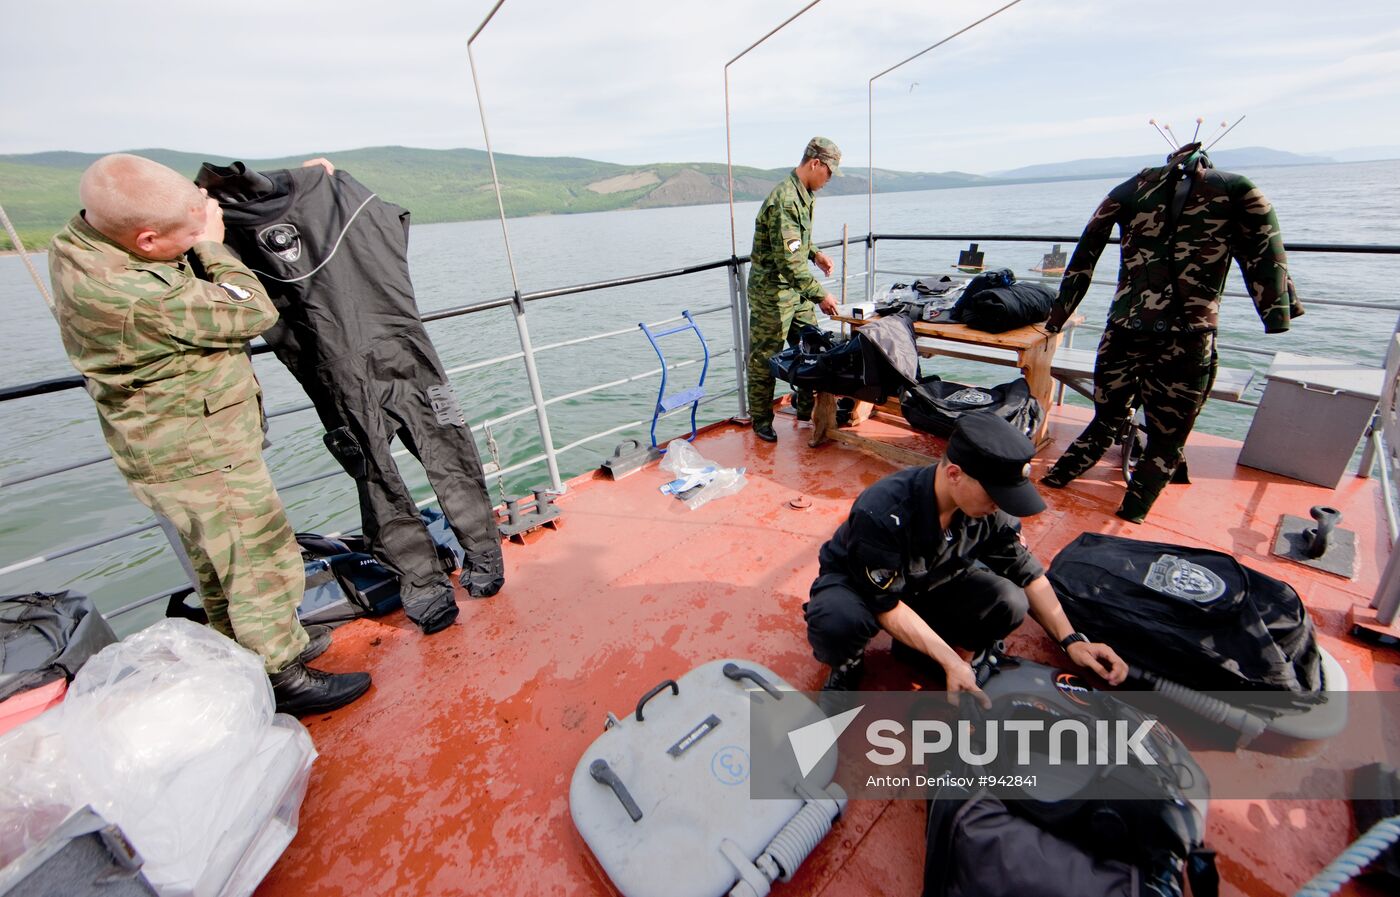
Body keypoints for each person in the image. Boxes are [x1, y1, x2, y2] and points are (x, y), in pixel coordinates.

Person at [48, 153, 371, 716]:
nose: (197, 236)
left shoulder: (85, 242)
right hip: (198, 450)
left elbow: (162, 216)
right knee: (258, 558)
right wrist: (214, 247)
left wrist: (279, 183)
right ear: (147, 241)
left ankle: (248, 657)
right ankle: (282, 676)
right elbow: (251, 312)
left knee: (220, 568)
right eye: (187, 233)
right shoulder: (134, 295)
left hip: (168, 445)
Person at [1040, 142, 1301, 522]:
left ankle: (1061, 475)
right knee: (1167, 437)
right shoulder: (1237, 188)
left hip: (1125, 328)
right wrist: (1278, 312)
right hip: (1188, 334)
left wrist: (1059, 315)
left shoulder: (1131, 189)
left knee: (1107, 416)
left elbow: (1085, 254)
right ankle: (1133, 510)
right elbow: (1265, 253)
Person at [804, 412, 1127, 703]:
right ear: (955, 474)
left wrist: (1072, 641)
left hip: (930, 581)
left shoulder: (987, 509)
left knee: (1009, 600)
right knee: (838, 620)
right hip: (865, 586)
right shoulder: (884, 511)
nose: (999, 505)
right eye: (995, 495)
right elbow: (884, 603)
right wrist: (951, 660)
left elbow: (1026, 573)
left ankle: (917, 651)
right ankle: (848, 662)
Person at [745, 136, 843, 442]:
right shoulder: (785, 200)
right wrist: (821, 295)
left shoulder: (804, 194)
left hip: (795, 292)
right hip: (772, 294)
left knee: (811, 346)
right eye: (828, 172)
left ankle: (804, 409)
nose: (829, 179)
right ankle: (761, 421)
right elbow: (788, 263)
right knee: (765, 358)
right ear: (815, 164)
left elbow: (795, 242)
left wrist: (815, 253)